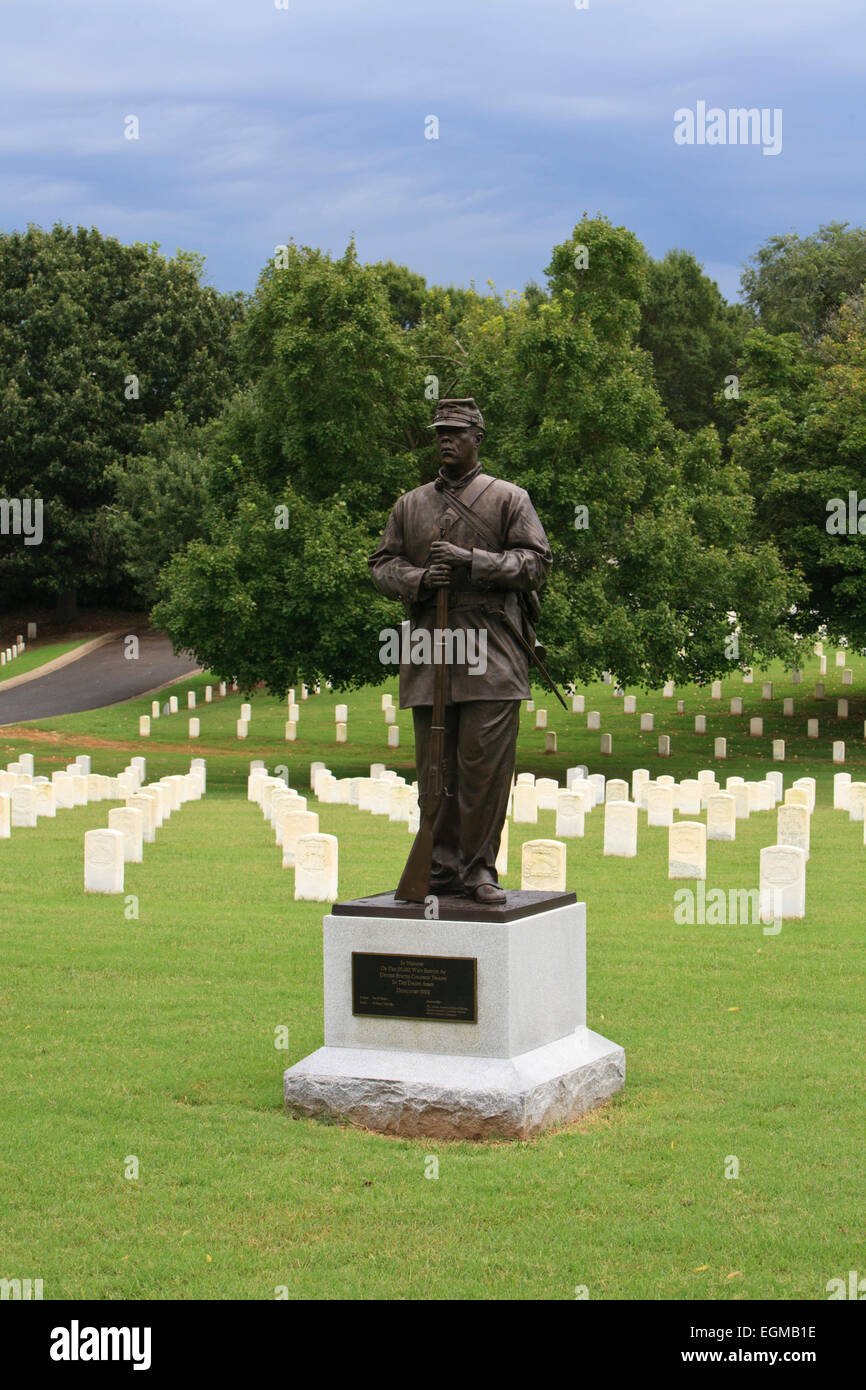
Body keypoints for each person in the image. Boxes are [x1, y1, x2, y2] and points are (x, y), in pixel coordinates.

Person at [368, 398, 552, 904]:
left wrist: (474, 562)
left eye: (455, 432)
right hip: (432, 651)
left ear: (477, 437)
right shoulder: (410, 505)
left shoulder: (509, 499)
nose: (445, 440)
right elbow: (381, 565)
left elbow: (536, 564)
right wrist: (421, 578)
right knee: (436, 772)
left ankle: (477, 871)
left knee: (483, 771)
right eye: (439, 433)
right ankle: (440, 869)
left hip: (492, 652)